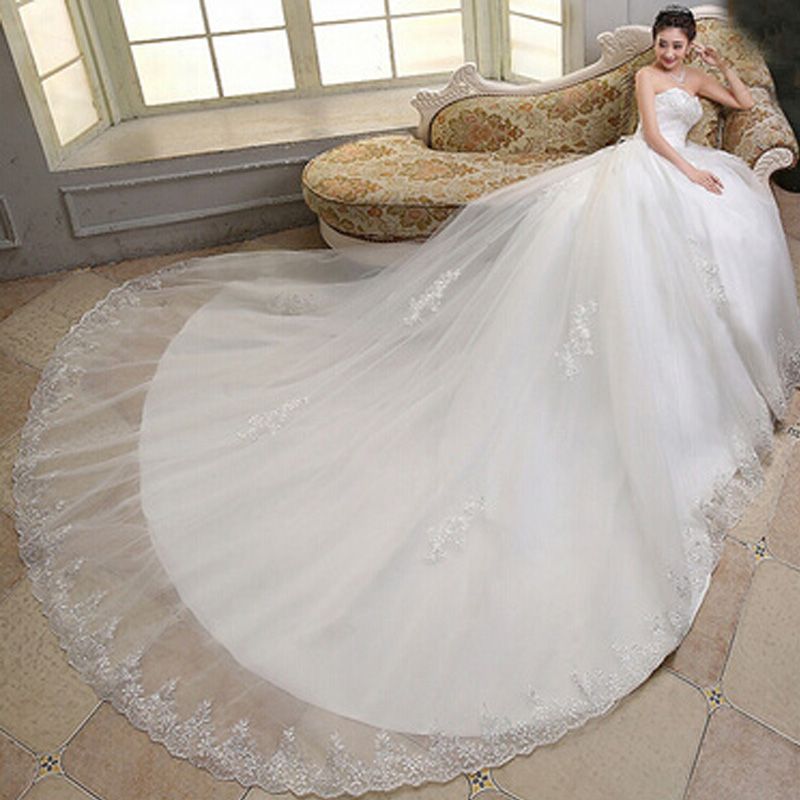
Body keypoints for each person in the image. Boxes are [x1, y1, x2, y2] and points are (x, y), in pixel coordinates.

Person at [14, 5, 800, 796]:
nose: (667, 55)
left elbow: (735, 98)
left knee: (714, 250)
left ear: (689, 45)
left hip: (692, 179)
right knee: (611, 272)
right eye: (663, 45)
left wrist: (730, 78)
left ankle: (686, 368)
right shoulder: (643, 78)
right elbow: (658, 138)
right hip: (645, 174)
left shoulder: (700, 73)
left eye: (677, 46)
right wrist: (690, 168)